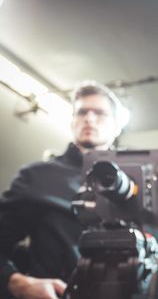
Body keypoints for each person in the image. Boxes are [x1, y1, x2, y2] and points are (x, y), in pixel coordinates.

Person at [0, 81, 124, 299]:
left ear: (116, 127)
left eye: (100, 113)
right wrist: (16, 282)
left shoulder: (133, 185)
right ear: (72, 121)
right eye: (82, 112)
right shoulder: (37, 176)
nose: (89, 118)